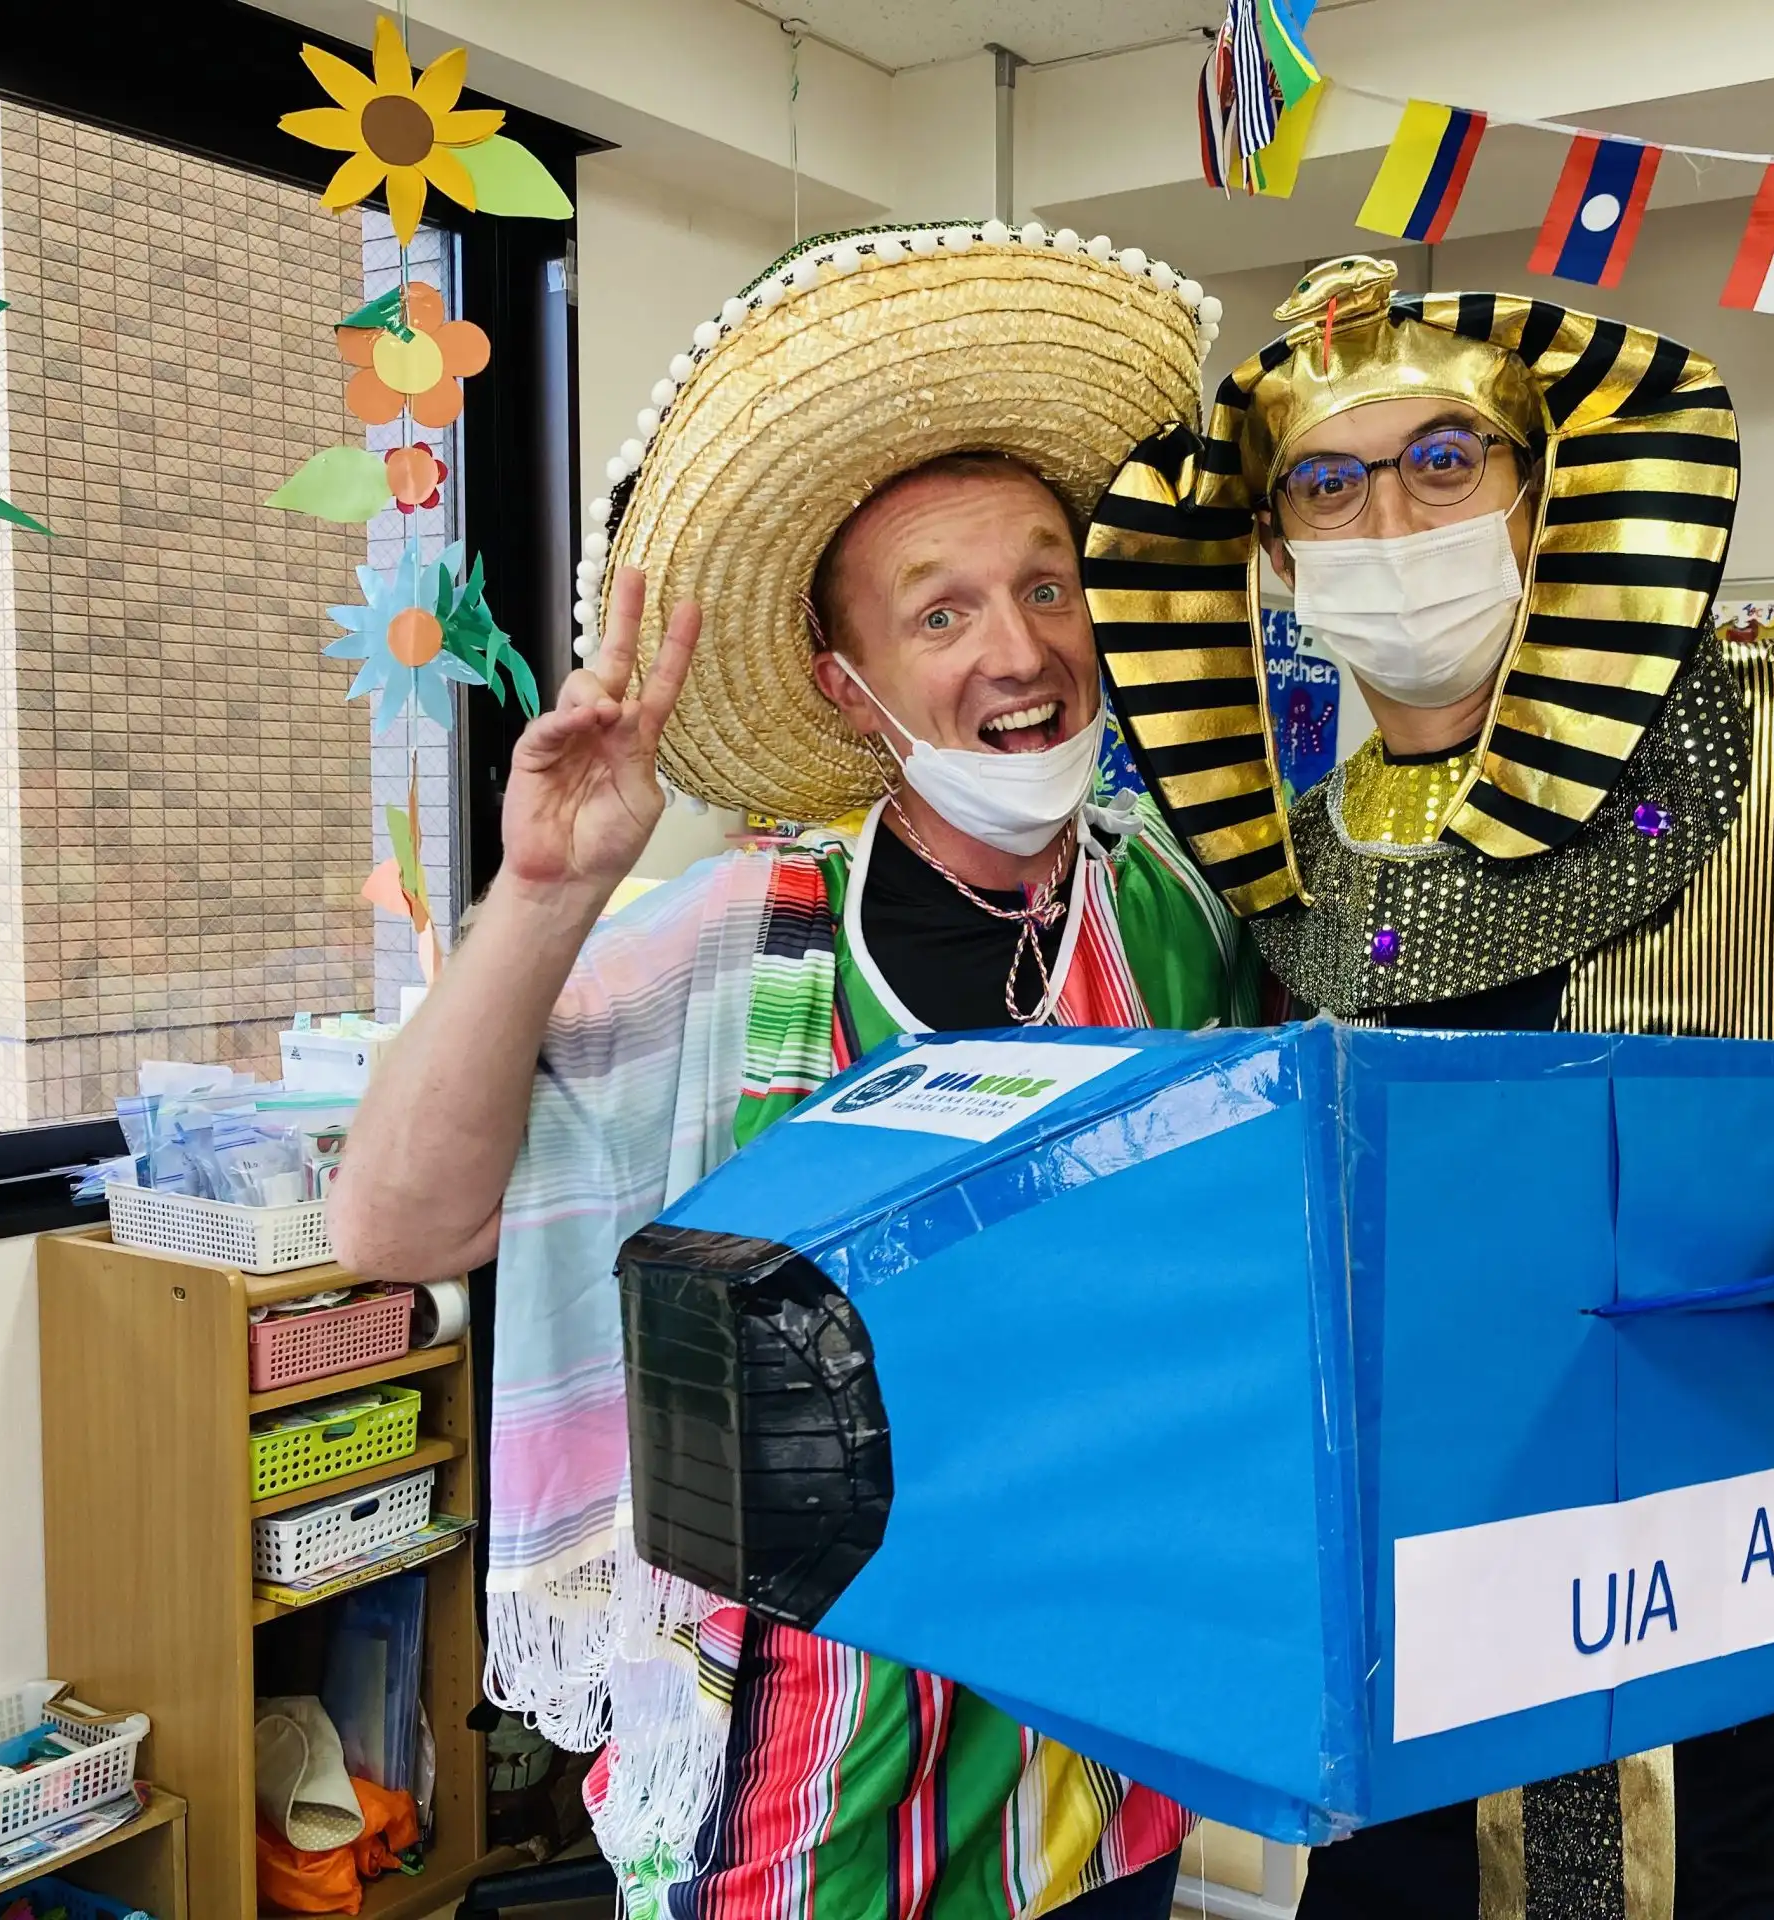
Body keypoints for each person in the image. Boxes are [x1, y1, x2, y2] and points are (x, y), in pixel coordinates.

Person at [1082, 254, 1774, 1919]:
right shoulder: (1289, 872)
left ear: (1539, 498)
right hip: (1441, 1643)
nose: (1390, 521)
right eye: (1327, 484)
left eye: (1442, 464)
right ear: (1273, 552)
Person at [332, 223, 1255, 1920]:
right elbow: (394, 1220)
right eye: (943, 611)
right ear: (850, 686)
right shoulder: (740, 937)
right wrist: (544, 894)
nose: (1018, 649)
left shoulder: (1181, 917)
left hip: (1099, 1767)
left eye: (1047, 584)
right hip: (802, 1789)